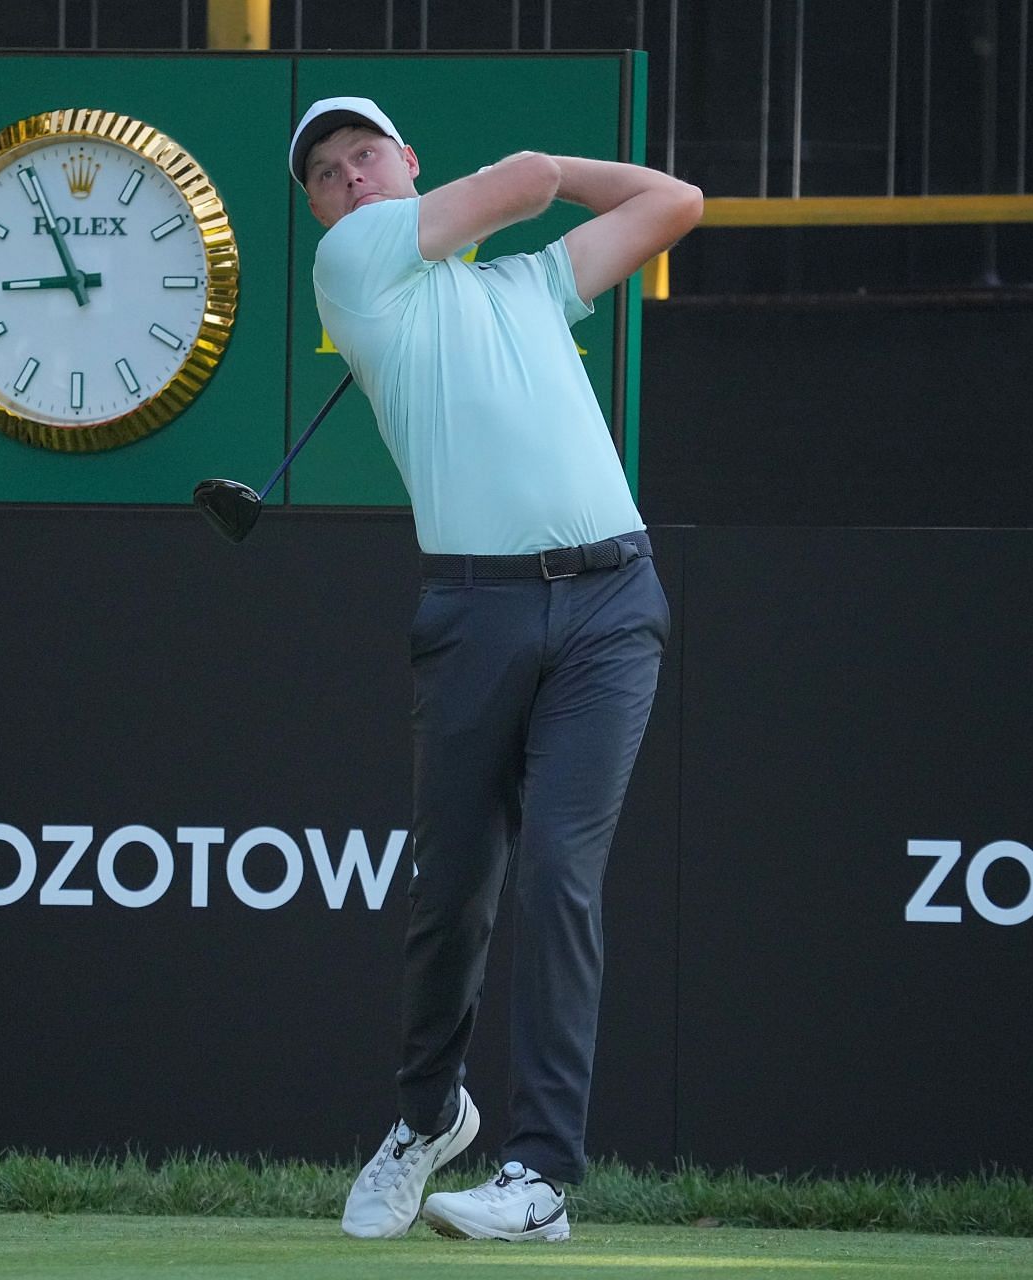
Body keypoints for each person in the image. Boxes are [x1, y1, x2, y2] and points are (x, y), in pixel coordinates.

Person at [289, 96, 702, 1243]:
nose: (350, 177)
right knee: (455, 890)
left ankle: (540, 1174)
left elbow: (675, 202)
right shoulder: (354, 262)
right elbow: (521, 175)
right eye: (326, 172)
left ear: (409, 161)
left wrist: (542, 191)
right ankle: (428, 1116)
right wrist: (514, 191)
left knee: (560, 874)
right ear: (323, 210)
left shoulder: (527, 287)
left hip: (614, 601)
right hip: (478, 609)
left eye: (367, 154)